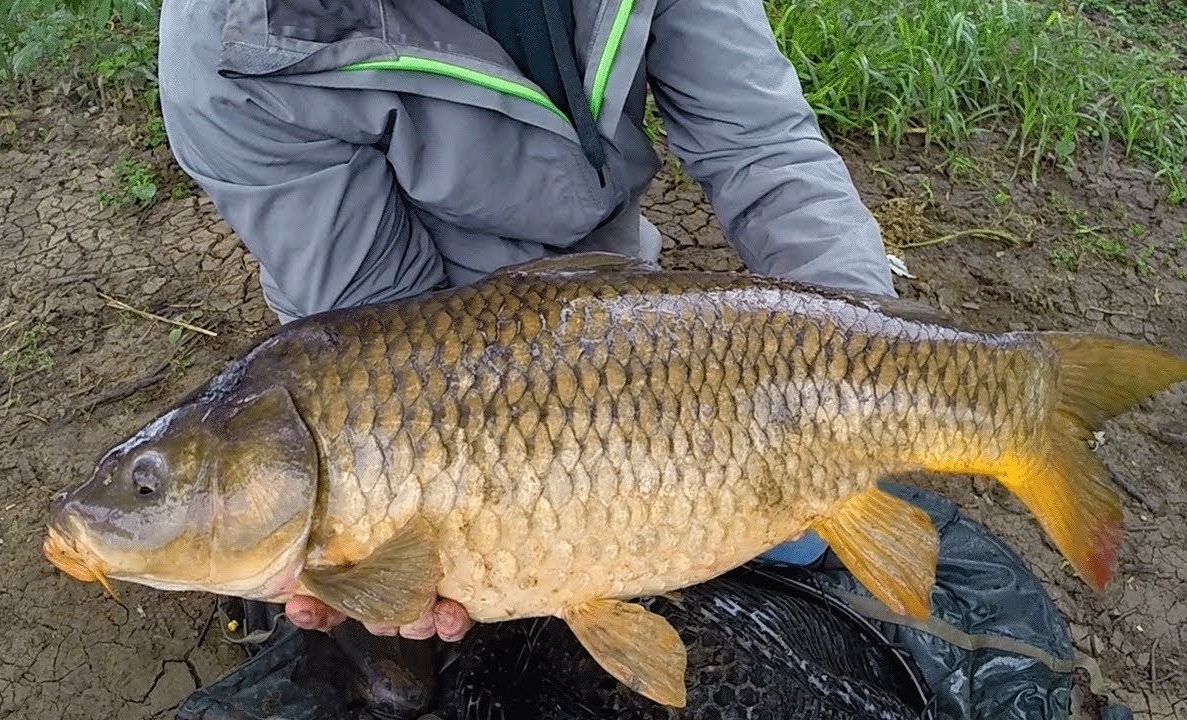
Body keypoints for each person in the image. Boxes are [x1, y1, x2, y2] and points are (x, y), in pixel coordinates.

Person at [157, 0, 897, 713]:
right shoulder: (233, 40)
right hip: (396, 368)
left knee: (797, 533)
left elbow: (763, 146)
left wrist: (873, 354)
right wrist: (414, 555)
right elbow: (392, 331)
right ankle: (296, 553)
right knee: (399, 594)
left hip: (612, 316)